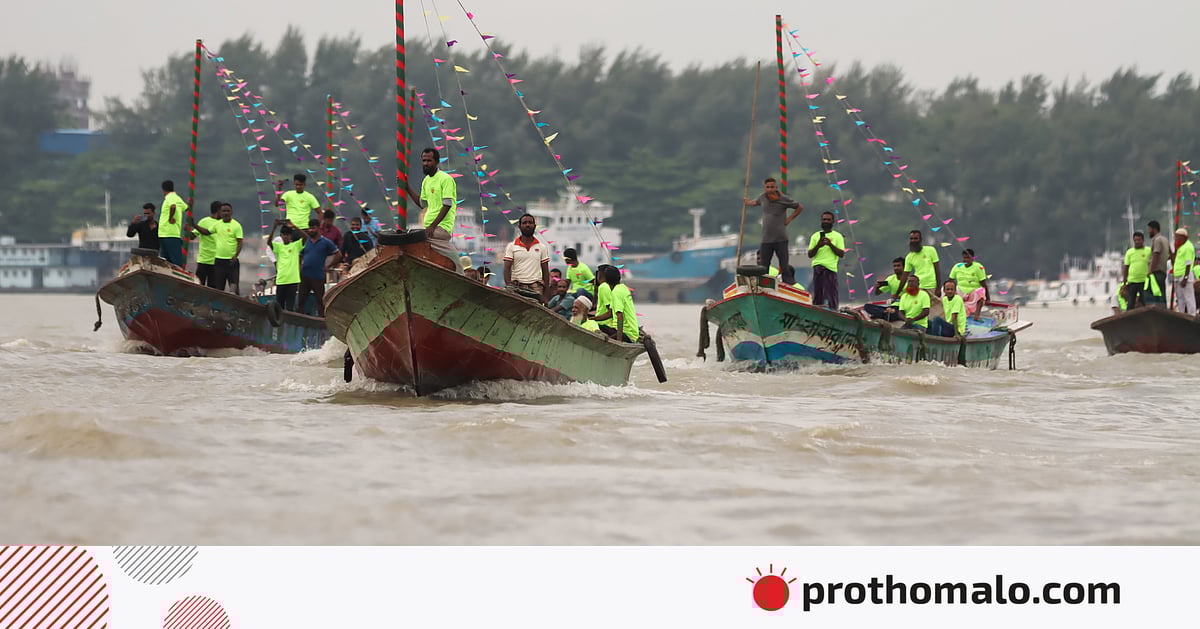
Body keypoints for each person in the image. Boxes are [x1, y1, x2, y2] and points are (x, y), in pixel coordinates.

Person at [405, 147, 461, 267]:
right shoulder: (426, 180)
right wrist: (407, 188)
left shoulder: (445, 179)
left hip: (440, 227)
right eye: (424, 160)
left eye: (429, 161)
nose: (426, 163)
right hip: (428, 228)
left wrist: (433, 226)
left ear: (436, 162)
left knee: (415, 241)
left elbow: (447, 205)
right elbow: (422, 204)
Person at [744, 176, 804, 284]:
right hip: (766, 238)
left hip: (781, 238)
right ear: (765, 188)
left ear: (776, 187)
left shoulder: (784, 199)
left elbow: (799, 207)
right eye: (768, 187)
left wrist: (789, 219)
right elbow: (755, 202)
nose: (770, 189)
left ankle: (788, 283)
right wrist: (747, 202)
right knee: (764, 264)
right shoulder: (762, 197)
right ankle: (762, 284)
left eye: (772, 187)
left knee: (784, 265)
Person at [503, 213, 551, 302]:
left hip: (536, 288)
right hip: (517, 287)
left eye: (530, 222)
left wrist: (546, 295)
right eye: (524, 223)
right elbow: (506, 269)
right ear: (520, 227)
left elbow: (545, 272)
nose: (528, 225)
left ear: (534, 226)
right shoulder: (511, 246)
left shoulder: (541, 247)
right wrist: (509, 286)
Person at [298, 219, 340, 317]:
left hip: (318, 276)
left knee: (320, 301)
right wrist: (299, 267)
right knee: (301, 300)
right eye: (309, 228)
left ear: (318, 229)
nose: (311, 230)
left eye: (313, 228)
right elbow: (300, 254)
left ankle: (322, 321)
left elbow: (338, 254)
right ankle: (299, 319)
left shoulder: (325, 242)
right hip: (305, 276)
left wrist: (329, 266)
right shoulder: (307, 241)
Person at [807, 210, 845, 309]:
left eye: (828, 220)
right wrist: (818, 245)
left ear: (833, 221)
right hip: (818, 266)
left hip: (831, 268)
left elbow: (841, 254)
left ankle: (833, 310)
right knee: (818, 292)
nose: (826, 222)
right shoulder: (815, 236)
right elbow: (810, 254)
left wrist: (830, 244)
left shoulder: (838, 236)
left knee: (832, 293)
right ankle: (817, 308)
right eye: (824, 220)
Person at [590, 266, 639, 342]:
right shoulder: (623, 288)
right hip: (630, 331)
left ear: (605, 279)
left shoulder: (616, 292)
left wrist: (619, 340)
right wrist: (592, 319)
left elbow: (620, 316)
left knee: (600, 339)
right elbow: (610, 313)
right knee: (594, 325)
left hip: (626, 333)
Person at [268, 220, 302, 311]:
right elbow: (269, 243)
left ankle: (289, 323)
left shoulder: (295, 246)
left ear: (290, 235)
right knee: (280, 306)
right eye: (283, 235)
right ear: (281, 236)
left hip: (292, 280)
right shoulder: (279, 247)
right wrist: (274, 227)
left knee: (290, 306)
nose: (285, 237)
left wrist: (294, 226)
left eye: (287, 234)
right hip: (281, 280)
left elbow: (306, 238)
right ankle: (280, 324)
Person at [209, 203, 243, 292]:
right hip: (219, 261)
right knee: (219, 288)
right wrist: (194, 225)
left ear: (231, 212)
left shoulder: (236, 225)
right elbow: (207, 232)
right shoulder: (217, 224)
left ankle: (236, 305)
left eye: (228, 211)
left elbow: (240, 242)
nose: (226, 213)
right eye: (224, 211)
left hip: (232, 261)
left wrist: (235, 255)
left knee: (234, 287)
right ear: (220, 212)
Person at [899, 229, 942, 297]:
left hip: (932, 286)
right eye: (911, 239)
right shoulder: (909, 257)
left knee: (935, 307)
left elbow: (937, 269)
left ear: (920, 239)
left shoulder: (931, 250)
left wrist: (938, 287)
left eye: (915, 238)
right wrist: (897, 292)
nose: (913, 240)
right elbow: (905, 276)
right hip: (919, 287)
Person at [188, 201, 221, 287]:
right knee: (199, 285)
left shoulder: (223, 223)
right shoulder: (204, 221)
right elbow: (192, 236)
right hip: (204, 259)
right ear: (218, 210)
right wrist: (188, 230)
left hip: (217, 260)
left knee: (213, 287)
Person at [157, 180, 188, 267]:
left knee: (175, 261)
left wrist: (170, 218)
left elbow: (173, 206)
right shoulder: (178, 198)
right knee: (165, 260)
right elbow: (186, 208)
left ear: (163, 190)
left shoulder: (170, 197)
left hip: (169, 233)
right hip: (166, 233)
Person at [1122, 231, 1150, 310]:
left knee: (1144, 301)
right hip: (1132, 281)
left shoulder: (1148, 251)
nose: (1137, 242)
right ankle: (1129, 319)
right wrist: (1124, 283)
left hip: (1144, 281)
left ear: (1143, 240)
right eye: (1135, 240)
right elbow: (1126, 267)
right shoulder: (1129, 252)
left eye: (1139, 240)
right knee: (1130, 303)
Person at [1146, 220, 1170, 306]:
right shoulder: (1165, 239)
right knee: (1161, 293)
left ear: (1154, 229)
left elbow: (1156, 255)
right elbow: (1170, 254)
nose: (1148, 231)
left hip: (1156, 272)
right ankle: (1164, 310)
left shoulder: (1157, 240)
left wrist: (1150, 271)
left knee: (1150, 293)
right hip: (1163, 271)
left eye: (1149, 229)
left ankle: (1154, 312)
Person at [1172, 227, 1195, 315]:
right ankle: (1181, 314)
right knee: (1180, 298)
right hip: (1178, 276)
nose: (1176, 239)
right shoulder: (1180, 247)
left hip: (1185, 276)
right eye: (1176, 237)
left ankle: (1192, 315)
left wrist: (1185, 278)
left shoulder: (1188, 247)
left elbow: (1188, 264)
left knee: (1189, 298)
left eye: (1178, 237)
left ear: (1184, 237)